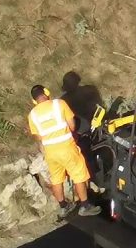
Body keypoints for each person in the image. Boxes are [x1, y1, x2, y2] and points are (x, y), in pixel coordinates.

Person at [27, 83, 91, 214]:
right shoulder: (59, 104)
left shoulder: (32, 115)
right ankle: (85, 206)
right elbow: (72, 126)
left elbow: (39, 137)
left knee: (56, 179)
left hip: (50, 152)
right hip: (67, 147)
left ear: (34, 100)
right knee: (78, 175)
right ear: (46, 92)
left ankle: (63, 207)